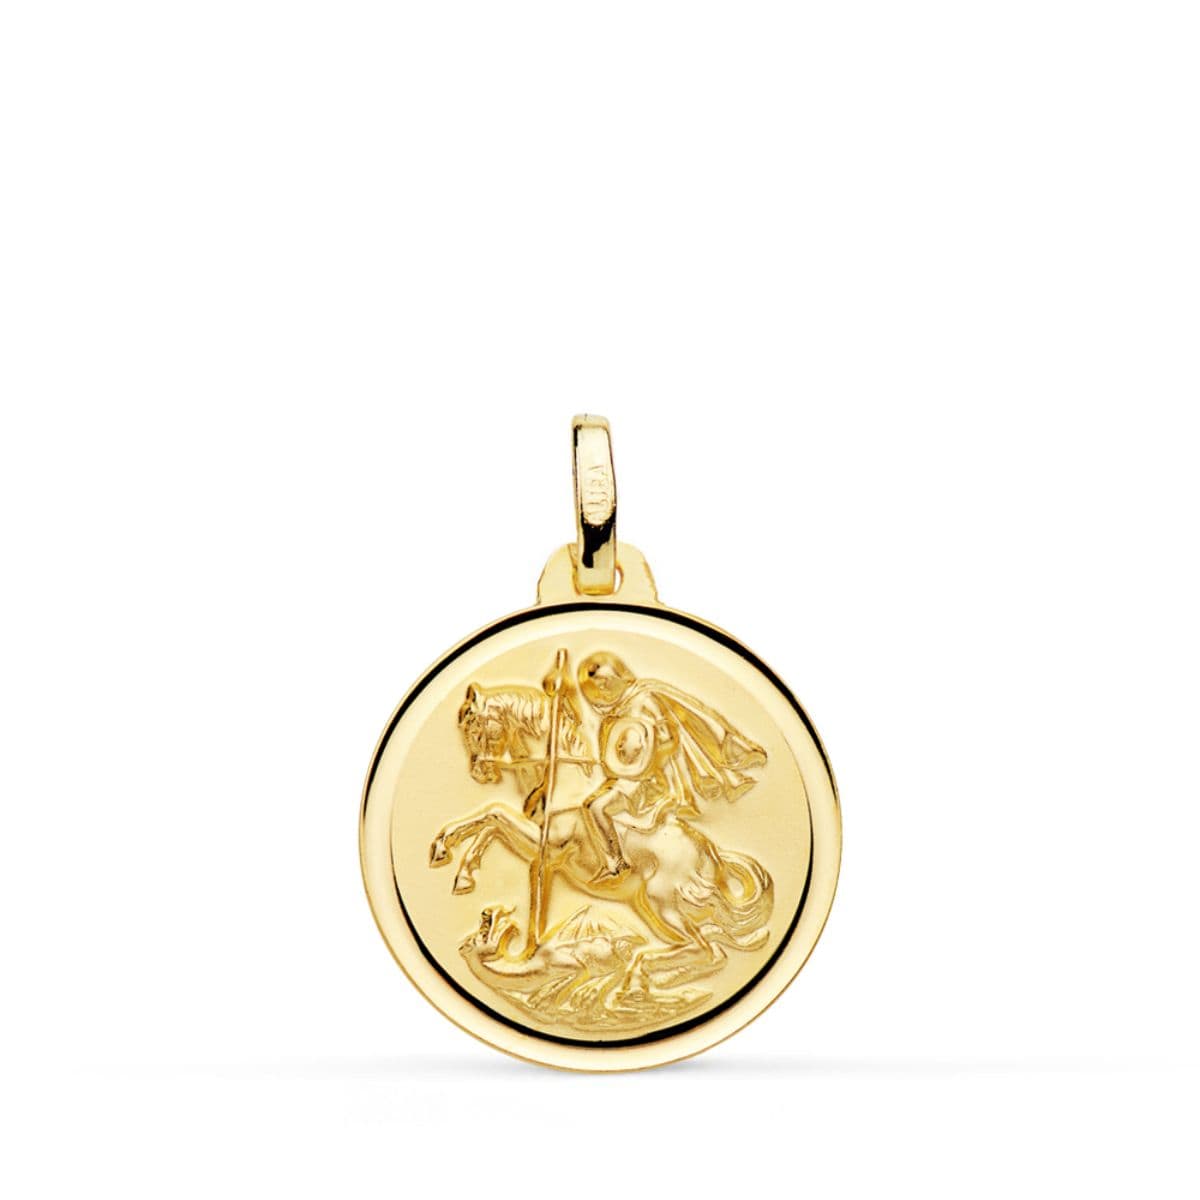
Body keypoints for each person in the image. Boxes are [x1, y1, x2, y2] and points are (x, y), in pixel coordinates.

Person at [577, 651, 767, 880]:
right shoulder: (616, 713)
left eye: (604, 682)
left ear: (618, 676)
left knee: (596, 807)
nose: (601, 691)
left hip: (648, 781)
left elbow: (667, 738)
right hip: (627, 778)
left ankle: (615, 864)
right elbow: (613, 758)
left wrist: (643, 762)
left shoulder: (644, 699)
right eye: (595, 688)